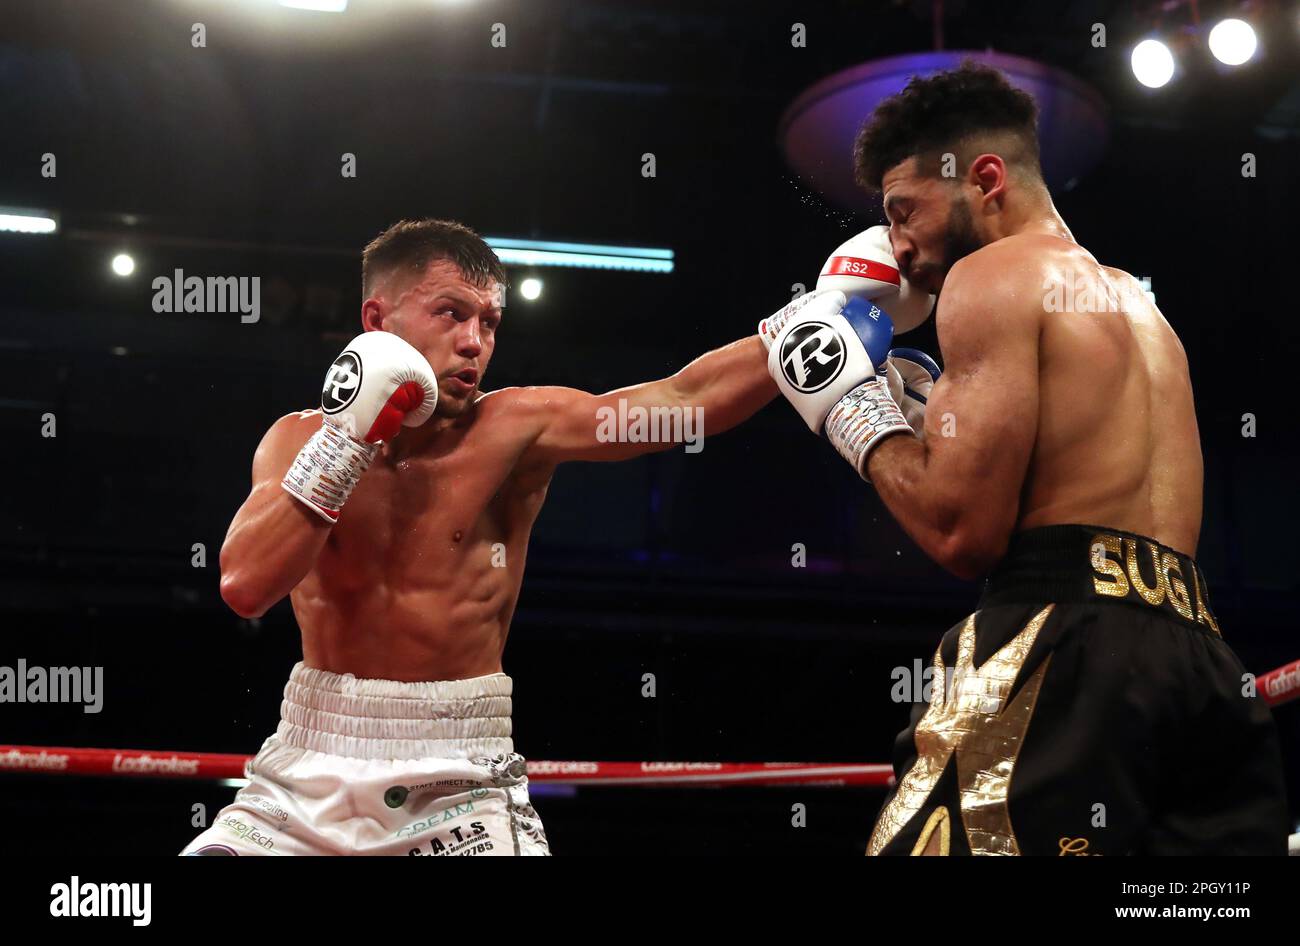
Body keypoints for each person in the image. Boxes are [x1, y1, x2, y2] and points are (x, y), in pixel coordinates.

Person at [764, 62, 1289, 855]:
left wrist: (848, 408)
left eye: (905, 213)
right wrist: (918, 411)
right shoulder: (1143, 311)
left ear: (984, 179)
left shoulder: (989, 276)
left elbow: (958, 529)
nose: (897, 249)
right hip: (1202, 662)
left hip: (1059, 648)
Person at [182, 218, 781, 856]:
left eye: (489, 322)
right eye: (450, 313)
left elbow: (683, 399)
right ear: (377, 319)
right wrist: (345, 437)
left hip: (457, 777)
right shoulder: (297, 439)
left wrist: (797, 330)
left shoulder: (516, 428)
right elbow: (244, 586)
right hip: (306, 770)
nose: (473, 342)